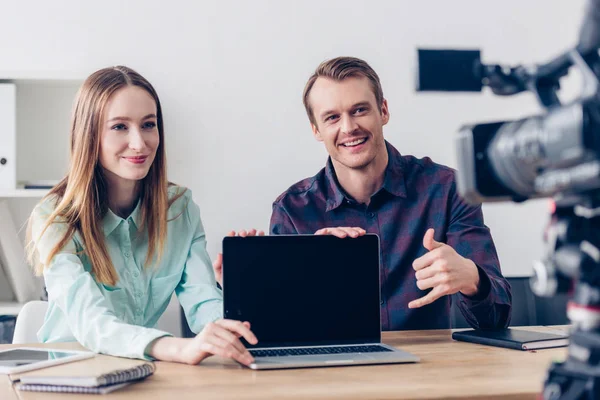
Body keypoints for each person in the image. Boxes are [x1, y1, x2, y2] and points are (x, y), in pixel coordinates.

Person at [27, 66, 258, 365]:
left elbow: (202, 301)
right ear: (89, 135)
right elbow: (91, 322)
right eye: (120, 127)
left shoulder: (179, 208)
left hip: (141, 370)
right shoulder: (54, 217)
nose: (139, 143)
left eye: (148, 124)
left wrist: (235, 323)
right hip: (69, 374)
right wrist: (176, 348)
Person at [268, 57, 512, 330]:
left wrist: (472, 279)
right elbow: (278, 327)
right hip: (333, 369)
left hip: (429, 368)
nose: (348, 128)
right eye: (332, 117)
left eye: (359, 110)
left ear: (383, 111)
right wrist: (306, 271)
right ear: (316, 130)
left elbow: (497, 320)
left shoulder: (446, 189)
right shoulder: (292, 210)